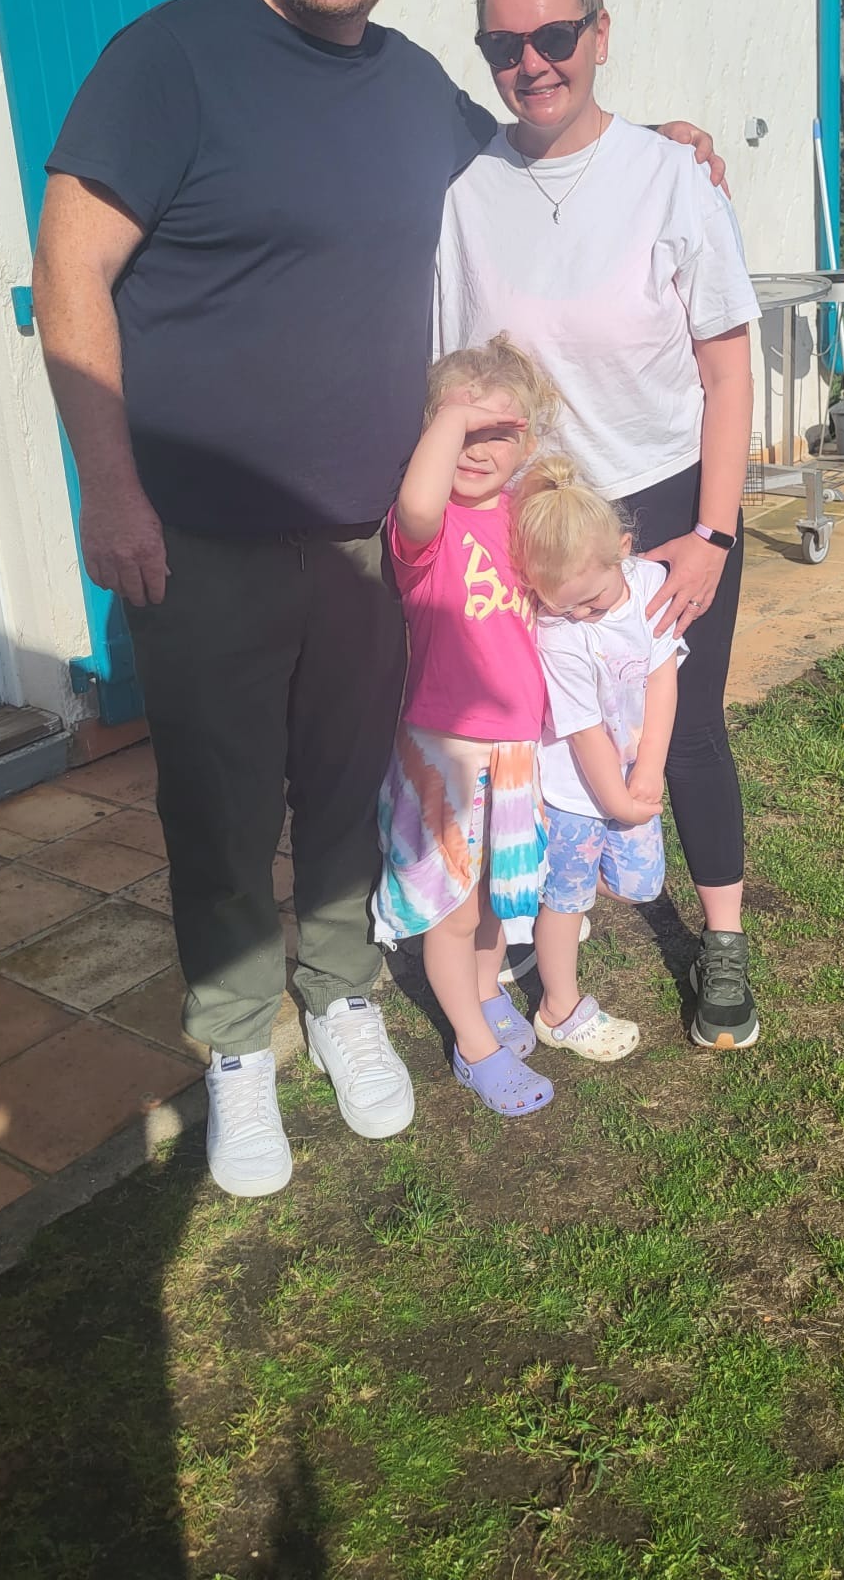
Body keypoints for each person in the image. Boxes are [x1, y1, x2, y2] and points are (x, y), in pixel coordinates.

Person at [32, 0, 727, 1199]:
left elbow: (541, 145)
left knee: (354, 789)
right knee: (222, 804)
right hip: (202, 534)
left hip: (374, 538)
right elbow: (69, 269)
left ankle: (343, 990)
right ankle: (238, 1045)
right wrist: (110, 488)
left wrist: (660, 149)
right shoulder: (169, 59)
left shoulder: (417, 89)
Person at [437, 0, 763, 1051]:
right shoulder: (464, 193)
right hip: (532, 521)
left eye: (554, 37)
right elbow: (459, 374)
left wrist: (713, 534)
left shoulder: (672, 177)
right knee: (535, 730)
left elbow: (728, 369)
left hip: (667, 503)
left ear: (600, 33)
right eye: (504, 45)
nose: (531, 63)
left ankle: (722, 943)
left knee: (686, 725)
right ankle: (533, 935)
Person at [372, 337, 557, 1117]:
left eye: (497, 434)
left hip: (516, 748)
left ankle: (485, 992)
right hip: (444, 751)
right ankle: (473, 1047)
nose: (476, 450)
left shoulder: (524, 518)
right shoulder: (428, 527)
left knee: (493, 895)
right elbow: (417, 504)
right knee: (452, 907)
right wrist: (452, 419)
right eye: (459, 430)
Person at [510, 456, 684, 1062]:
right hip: (574, 792)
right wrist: (617, 802)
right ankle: (558, 1008)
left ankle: (548, 903)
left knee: (640, 884)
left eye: (592, 601)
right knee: (568, 899)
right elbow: (583, 733)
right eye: (565, 607)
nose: (581, 617)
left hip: (631, 775)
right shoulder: (557, 633)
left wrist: (649, 770)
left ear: (623, 553)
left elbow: (663, 677)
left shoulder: (650, 585)